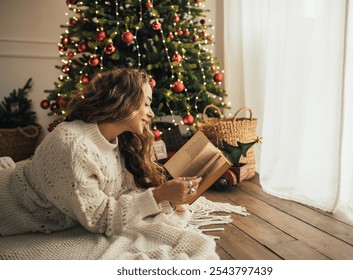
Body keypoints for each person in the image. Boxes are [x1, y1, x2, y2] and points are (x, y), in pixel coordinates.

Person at [0, 66, 218, 259]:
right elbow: (100, 219)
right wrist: (160, 195)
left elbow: (121, 193)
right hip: (7, 204)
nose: (151, 113)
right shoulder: (74, 146)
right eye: (147, 104)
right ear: (124, 99)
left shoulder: (115, 138)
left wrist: (167, 199)